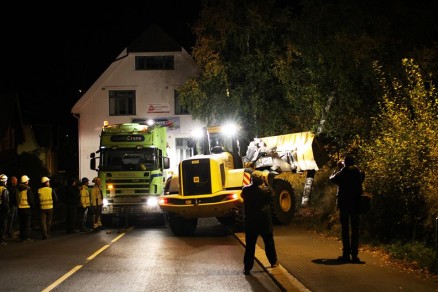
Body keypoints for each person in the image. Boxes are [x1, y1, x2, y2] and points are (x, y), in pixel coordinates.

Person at [241, 170, 278, 275]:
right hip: (264, 221)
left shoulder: (246, 190)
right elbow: (272, 194)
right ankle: (273, 261)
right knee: (269, 242)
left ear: (251, 179)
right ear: (261, 179)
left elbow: (243, 195)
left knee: (250, 246)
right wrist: (266, 183)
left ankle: (247, 267)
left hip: (250, 222)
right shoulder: (265, 191)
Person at [329, 154, 364, 263]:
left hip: (344, 205)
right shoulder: (359, 172)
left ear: (345, 163)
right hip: (356, 204)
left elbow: (332, 179)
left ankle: (346, 254)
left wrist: (338, 168)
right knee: (355, 230)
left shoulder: (343, 172)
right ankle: (354, 255)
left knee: (345, 230)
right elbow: (362, 177)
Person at [17, 175, 35, 243]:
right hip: (27, 209)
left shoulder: (18, 189)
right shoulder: (28, 189)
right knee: (27, 224)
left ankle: (22, 237)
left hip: (20, 208)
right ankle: (26, 237)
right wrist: (33, 206)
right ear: (26, 181)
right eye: (28, 181)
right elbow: (31, 199)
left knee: (22, 224)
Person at [0, 174, 10, 246]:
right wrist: (7, 210)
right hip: (2, 209)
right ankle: (1, 241)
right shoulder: (4, 190)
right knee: (3, 225)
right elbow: (5, 201)